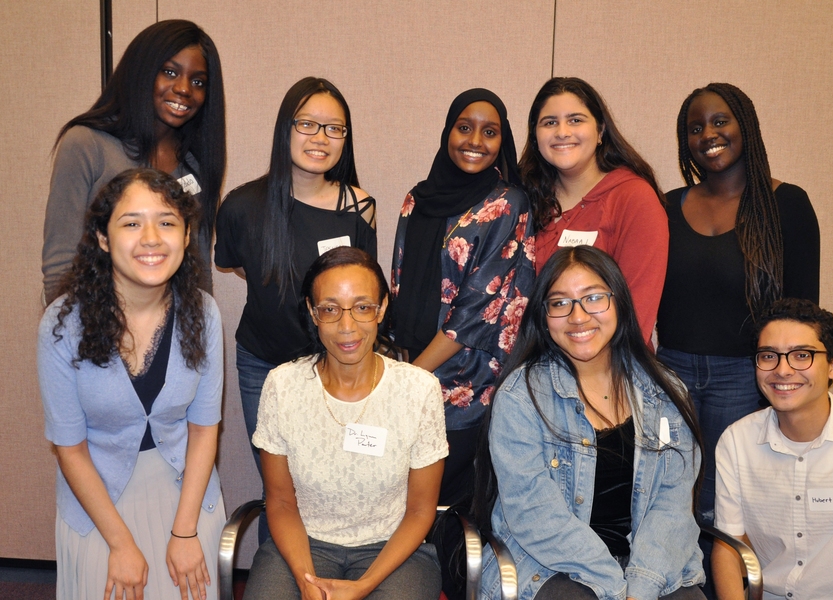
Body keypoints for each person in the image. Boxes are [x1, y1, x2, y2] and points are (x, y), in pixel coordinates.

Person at [476, 245, 705, 600]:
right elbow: (534, 513)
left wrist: (640, 585)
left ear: (619, 303)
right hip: (550, 565)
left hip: (653, 561)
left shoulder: (665, 392)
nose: (578, 316)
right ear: (544, 314)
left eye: (594, 298)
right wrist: (615, 587)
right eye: (560, 302)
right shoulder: (521, 396)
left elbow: (673, 506)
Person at [37, 168, 225, 600]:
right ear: (103, 238)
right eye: (131, 223)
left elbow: (203, 432)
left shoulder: (204, 313)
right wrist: (121, 544)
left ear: (186, 233)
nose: (152, 238)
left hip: (186, 496)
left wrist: (183, 533)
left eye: (166, 222)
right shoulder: (62, 325)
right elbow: (71, 449)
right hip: (97, 502)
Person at [656, 83, 820, 542]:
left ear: (745, 126)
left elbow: (806, 312)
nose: (708, 133)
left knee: (718, 504)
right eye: (694, 127)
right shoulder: (667, 206)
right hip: (670, 373)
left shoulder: (787, 204)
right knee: (668, 498)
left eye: (719, 120)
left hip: (743, 378)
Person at [215, 77, 375, 541]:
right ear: (285, 128)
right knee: (279, 489)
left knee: (334, 484)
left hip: (337, 368)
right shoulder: (242, 205)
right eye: (308, 124)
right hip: (262, 365)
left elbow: (362, 289)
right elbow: (242, 269)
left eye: (334, 129)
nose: (320, 138)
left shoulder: (359, 207)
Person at [242, 247, 447, 600]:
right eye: (331, 309)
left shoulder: (418, 389)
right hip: (303, 545)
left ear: (382, 308)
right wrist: (307, 581)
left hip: (393, 552)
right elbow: (280, 502)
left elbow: (420, 509)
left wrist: (364, 586)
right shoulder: (283, 385)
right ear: (313, 312)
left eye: (363, 307)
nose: (347, 326)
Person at [390, 88, 534, 507]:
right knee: (400, 499)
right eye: (464, 127)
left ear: (502, 141)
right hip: (411, 370)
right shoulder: (417, 199)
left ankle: (448, 575)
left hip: (464, 384)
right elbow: (400, 285)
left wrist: (409, 380)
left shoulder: (508, 204)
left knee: (442, 505)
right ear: (447, 132)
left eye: (489, 132)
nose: (475, 141)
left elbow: (478, 311)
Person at [713, 298, 833, 600]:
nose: (783, 370)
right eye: (769, 356)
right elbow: (728, 549)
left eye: (802, 355)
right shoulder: (737, 442)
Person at [42, 20, 225, 299]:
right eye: (170, 72)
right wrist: (77, 335)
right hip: (97, 326)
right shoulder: (86, 145)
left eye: (198, 81)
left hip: (172, 330)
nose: (184, 89)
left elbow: (199, 271)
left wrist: (197, 332)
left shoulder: (195, 165)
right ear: (141, 72)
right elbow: (61, 264)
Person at [519, 77, 667, 348]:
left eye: (576, 120)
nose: (562, 132)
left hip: (607, 374)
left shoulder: (633, 199)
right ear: (535, 136)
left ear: (600, 132)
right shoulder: (524, 199)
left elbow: (637, 314)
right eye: (550, 122)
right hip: (529, 371)